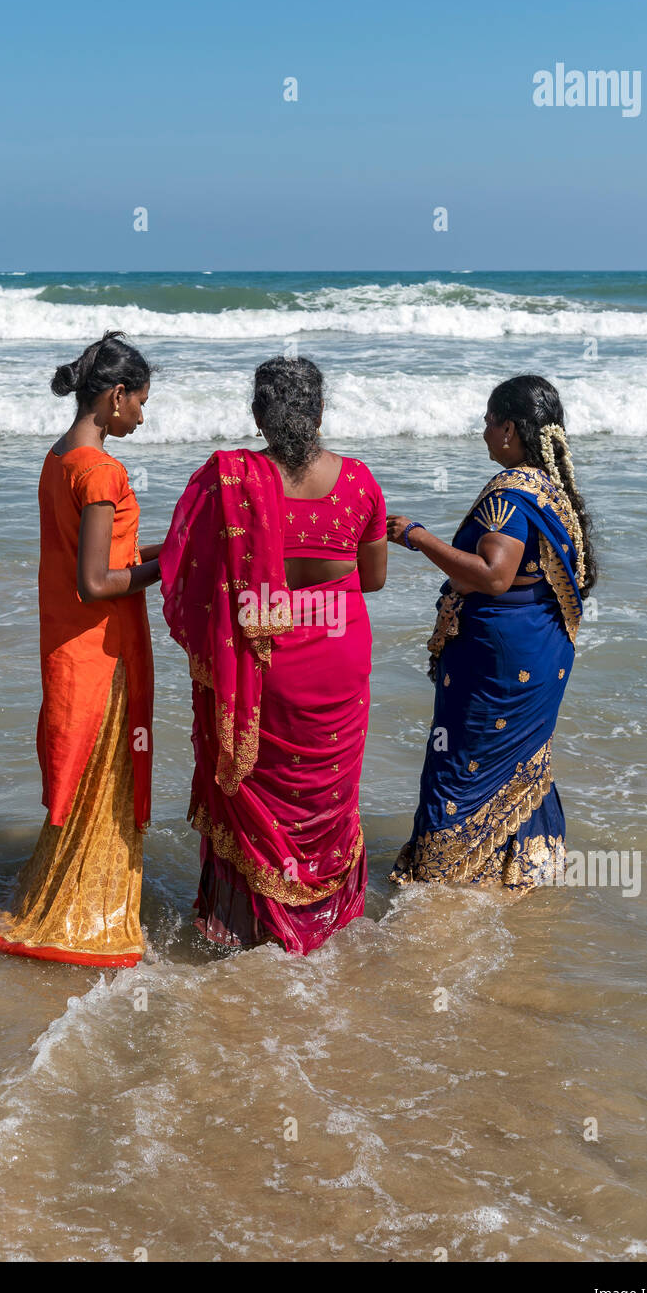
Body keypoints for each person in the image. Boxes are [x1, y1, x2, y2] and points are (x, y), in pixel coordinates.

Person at [160, 357, 388, 954]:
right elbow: (373, 579)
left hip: (261, 661)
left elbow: (189, 567)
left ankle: (246, 931)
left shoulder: (227, 479)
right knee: (329, 792)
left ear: (259, 416)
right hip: (339, 655)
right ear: (319, 412)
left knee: (257, 789)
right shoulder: (360, 480)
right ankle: (329, 926)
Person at [0, 331, 161, 966]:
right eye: (140, 402)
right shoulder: (102, 470)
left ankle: (58, 895)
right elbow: (96, 583)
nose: (142, 415)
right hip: (99, 649)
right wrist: (161, 572)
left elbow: (97, 559)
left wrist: (159, 551)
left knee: (83, 777)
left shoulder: (59, 457)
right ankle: (84, 915)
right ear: (114, 397)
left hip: (66, 644)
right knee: (103, 777)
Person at [386, 374, 596, 894]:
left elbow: (493, 574)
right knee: (518, 762)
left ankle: (443, 881)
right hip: (541, 650)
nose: (482, 432)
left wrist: (417, 537)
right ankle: (517, 870)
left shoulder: (510, 492)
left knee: (462, 764)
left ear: (510, 429)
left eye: (488, 421)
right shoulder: (554, 493)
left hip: (499, 660)